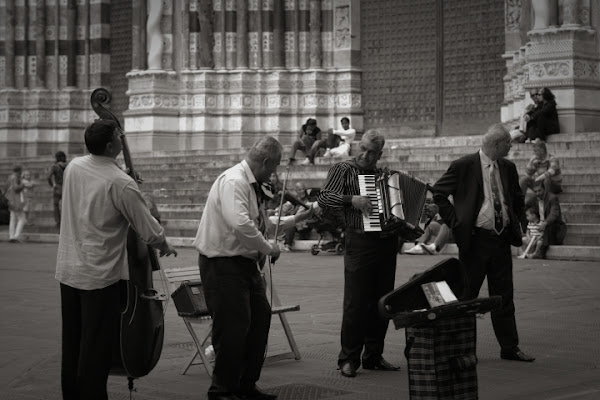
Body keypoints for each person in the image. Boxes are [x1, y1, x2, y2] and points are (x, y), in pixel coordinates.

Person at [55, 120, 177, 400]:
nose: (124, 140)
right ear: (111, 146)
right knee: (96, 347)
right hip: (99, 276)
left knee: (72, 342)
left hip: (68, 269)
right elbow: (148, 229)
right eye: (119, 137)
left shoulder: (74, 167)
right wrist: (164, 243)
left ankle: (71, 395)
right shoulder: (121, 183)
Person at [193, 136, 314, 400]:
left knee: (259, 320)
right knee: (232, 329)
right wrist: (268, 248)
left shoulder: (250, 184)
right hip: (222, 264)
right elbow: (241, 225)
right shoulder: (235, 181)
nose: (275, 173)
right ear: (267, 161)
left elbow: (261, 223)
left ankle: (246, 384)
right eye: (274, 167)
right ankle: (222, 390)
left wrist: (297, 218)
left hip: (243, 265)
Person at [317, 129, 421, 378]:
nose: (365, 154)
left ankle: (373, 355)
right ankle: (348, 358)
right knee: (356, 302)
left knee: (383, 301)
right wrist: (352, 199)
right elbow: (324, 198)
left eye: (372, 152)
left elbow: (399, 210)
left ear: (379, 154)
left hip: (386, 243)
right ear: (356, 146)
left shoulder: (386, 176)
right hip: (359, 241)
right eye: (362, 148)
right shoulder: (342, 169)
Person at [432, 123, 535, 362]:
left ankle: (510, 348)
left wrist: (520, 222)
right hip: (475, 240)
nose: (511, 145)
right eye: (508, 142)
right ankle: (462, 349)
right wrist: (455, 222)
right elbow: (438, 192)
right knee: (467, 296)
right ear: (496, 144)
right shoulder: (463, 166)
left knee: (504, 296)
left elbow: (517, 199)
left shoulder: (508, 168)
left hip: (500, 239)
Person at [526, 181, 567, 259]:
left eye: (539, 190)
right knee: (527, 218)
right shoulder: (533, 198)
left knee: (547, 226)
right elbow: (524, 207)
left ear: (544, 189)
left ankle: (540, 252)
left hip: (553, 227)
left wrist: (545, 223)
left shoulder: (552, 198)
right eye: (535, 191)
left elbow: (554, 214)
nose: (538, 193)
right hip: (538, 225)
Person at [282, 182, 314, 252]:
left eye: (303, 189)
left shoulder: (308, 201)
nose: (302, 191)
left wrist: (292, 212)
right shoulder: (294, 200)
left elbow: (300, 214)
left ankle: (287, 245)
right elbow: (283, 209)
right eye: (299, 190)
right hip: (297, 223)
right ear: (296, 191)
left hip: (306, 225)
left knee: (290, 224)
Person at [5, 165, 26, 243]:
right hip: (16, 200)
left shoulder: (9, 178)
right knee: (22, 218)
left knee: (13, 218)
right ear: (19, 171)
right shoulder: (15, 178)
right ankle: (16, 236)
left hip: (11, 199)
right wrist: (22, 184)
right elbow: (16, 188)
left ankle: (11, 236)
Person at [47, 151, 68, 228]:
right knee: (66, 205)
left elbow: (48, 177)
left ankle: (58, 221)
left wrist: (52, 185)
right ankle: (66, 220)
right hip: (66, 188)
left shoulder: (55, 166)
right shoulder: (68, 165)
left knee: (56, 205)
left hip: (58, 188)